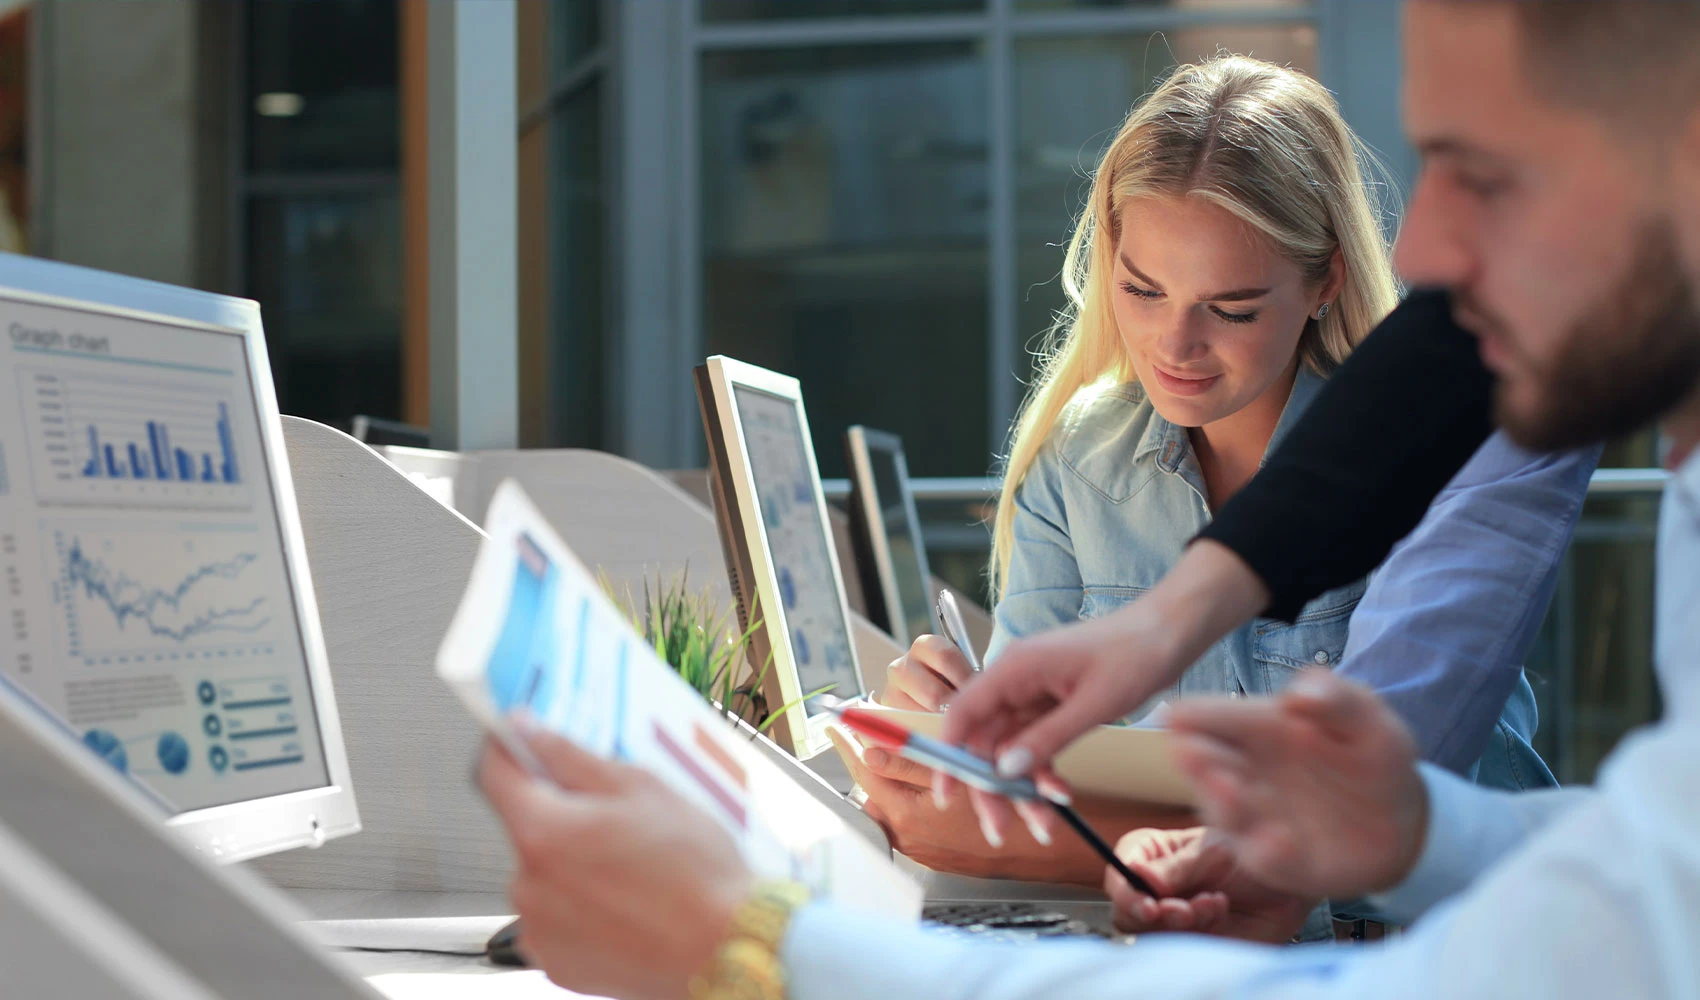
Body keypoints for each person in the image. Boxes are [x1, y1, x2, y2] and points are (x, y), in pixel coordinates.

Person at [476, 1, 1700, 997]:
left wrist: (755, 947)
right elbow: (1640, 872)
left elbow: (1547, 940)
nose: (1421, 249)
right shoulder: (1098, 452)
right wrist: (1381, 831)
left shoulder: (1510, 402)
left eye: (1485, 175)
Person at [851, 55, 1578, 907]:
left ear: (1326, 280)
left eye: (1231, 308)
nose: (1175, 346)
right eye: (1142, 290)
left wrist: (1026, 841)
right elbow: (1029, 776)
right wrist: (952, 730)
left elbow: (1376, 807)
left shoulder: (1456, 441)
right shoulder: (1076, 461)